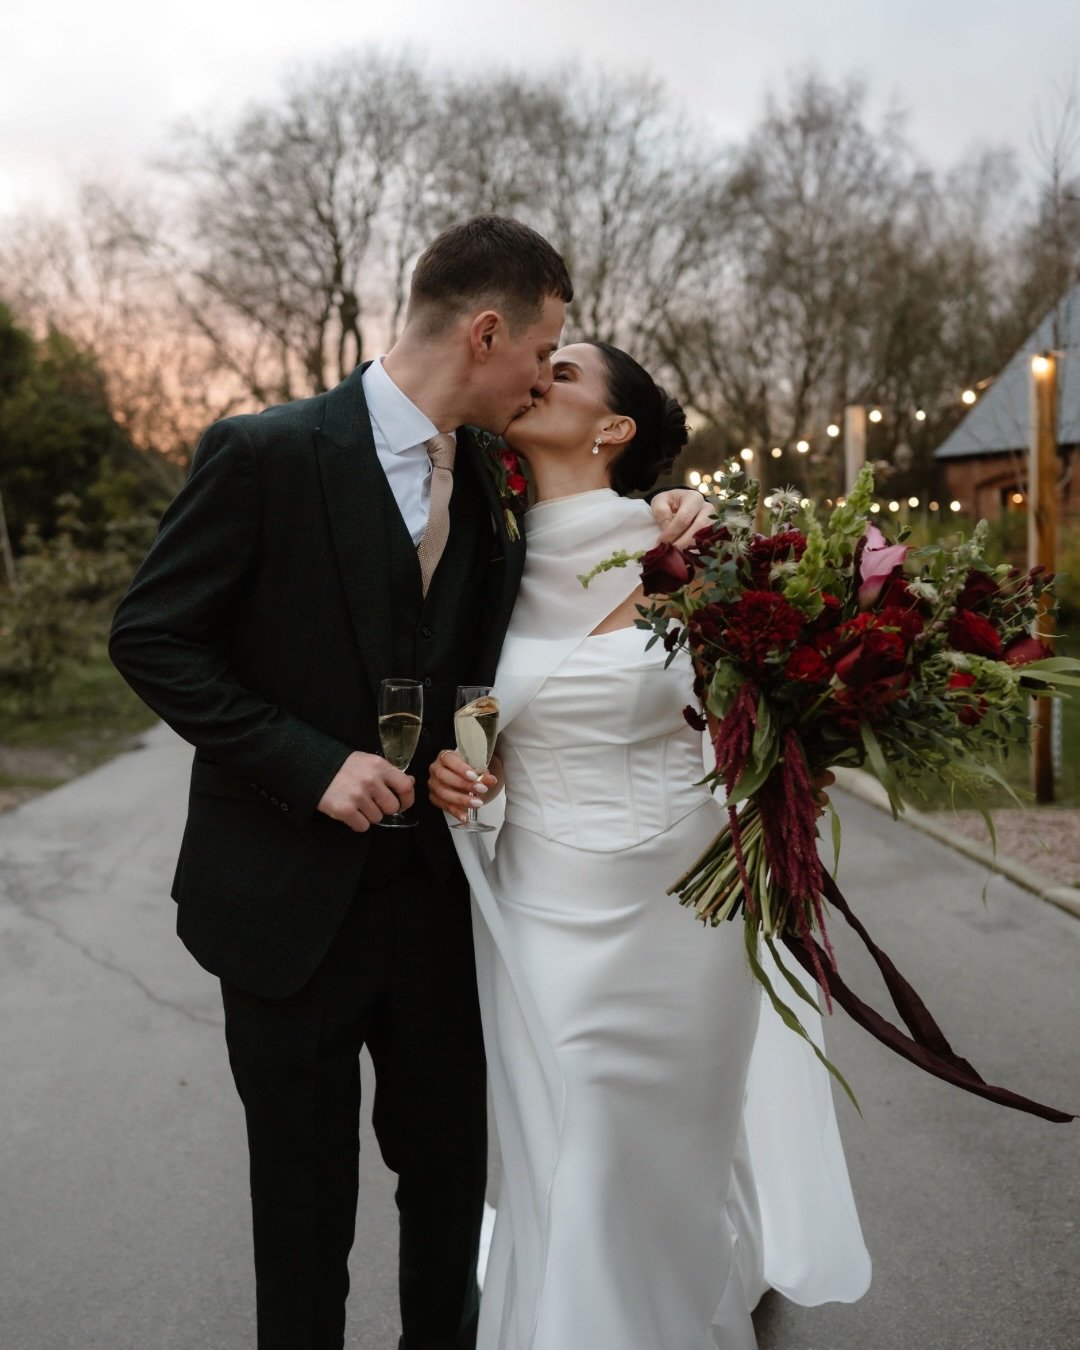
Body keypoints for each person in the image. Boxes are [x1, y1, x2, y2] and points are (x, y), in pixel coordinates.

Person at [109, 217, 714, 1350]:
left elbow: (515, 644)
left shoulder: (494, 480)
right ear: (486, 332)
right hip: (283, 909)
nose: (545, 376)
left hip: (442, 907)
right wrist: (310, 762)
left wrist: (677, 516)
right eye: (543, 352)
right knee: (301, 1212)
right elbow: (152, 639)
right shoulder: (265, 454)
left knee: (448, 1196)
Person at [429, 341, 872, 1349]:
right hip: (541, 897)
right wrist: (462, 775)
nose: (538, 371)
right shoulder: (476, 554)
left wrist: (808, 750)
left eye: (566, 369)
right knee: (577, 1152)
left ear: (614, 429)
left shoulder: (693, 552)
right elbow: (474, 712)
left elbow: (779, 711)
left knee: (664, 1159)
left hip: (687, 911)